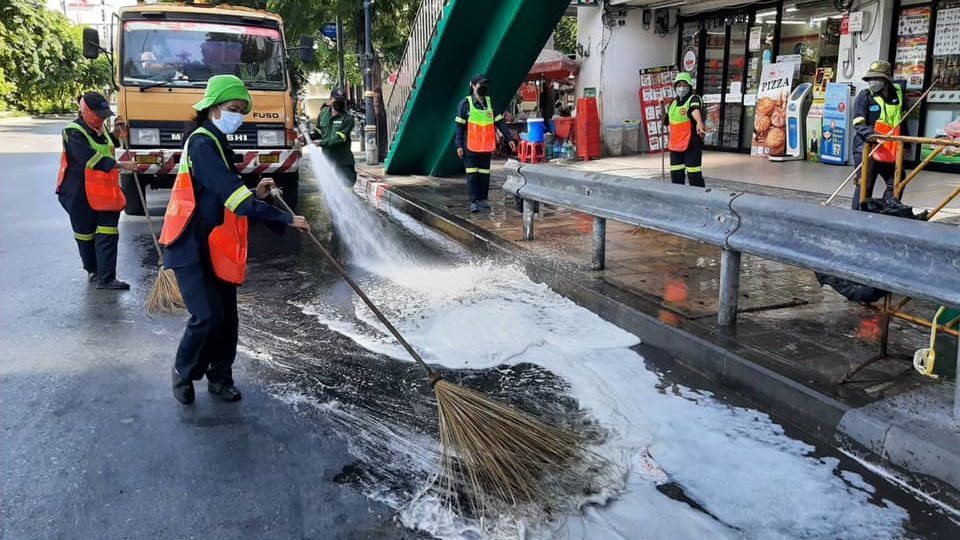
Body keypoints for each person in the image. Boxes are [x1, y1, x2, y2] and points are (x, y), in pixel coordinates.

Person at [159, 75, 310, 405]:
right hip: (191, 244)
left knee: (227, 316)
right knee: (207, 315)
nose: (237, 116)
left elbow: (232, 192)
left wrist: (258, 192)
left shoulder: (217, 142)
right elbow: (235, 200)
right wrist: (287, 218)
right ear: (212, 107)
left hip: (216, 243)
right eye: (232, 108)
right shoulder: (201, 142)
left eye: (242, 110)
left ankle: (220, 377)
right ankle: (184, 372)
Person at [56, 92, 138, 289]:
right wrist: (120, 166)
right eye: (98, 115)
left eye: (104, 115)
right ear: (85, 111)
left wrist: (117, 134)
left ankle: (107, 278)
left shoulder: (100, 129)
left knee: (108, 233)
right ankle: (93, 270)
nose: (102, 118)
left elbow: (107, 146)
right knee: (85, 235)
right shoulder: (73, 132)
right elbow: (90, 158)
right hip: (78, 193)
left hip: (104, 194)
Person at [455, 74, 517, 213]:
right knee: (472, 175)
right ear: (473, 86)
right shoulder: (465, 104)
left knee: (484, 175)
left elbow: (500, 122)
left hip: (485, 147)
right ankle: (474, 202)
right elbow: (459, 127)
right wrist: (458, 145)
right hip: (469, 146)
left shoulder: (490, 103)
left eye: (485, 85)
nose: (483, 87)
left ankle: (483, 200)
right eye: (480, 85)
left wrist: (509, 138)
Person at [851, 60, 906, 210]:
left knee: (897, 179)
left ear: (886, 80)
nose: (872, 82)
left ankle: (885, 210)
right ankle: (856, 217)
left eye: (877, 79)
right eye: (871, 79)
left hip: (889, 146)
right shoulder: (865, 96)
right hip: (867, 146)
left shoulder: (898, 94)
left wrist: (905, 145)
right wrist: (873, 135)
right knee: (865, 184)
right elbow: (858, 123)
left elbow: (902, 120)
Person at [663, 72, 706, 187]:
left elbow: (694, 109)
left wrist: (699, 122)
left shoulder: (694, 98)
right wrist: (661, 108)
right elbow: (667, 121)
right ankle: (679, 199)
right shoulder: (673, 102)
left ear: (690, 86)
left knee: (694, 174)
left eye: (684, 85)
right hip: (676, 145)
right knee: (676, 174)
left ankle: (699, 199)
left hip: (691, 142)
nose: (681, 88)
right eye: (679, 85)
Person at [312, 87, 356, 186]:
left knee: (346, 192)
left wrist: (321, 143)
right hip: (327, 163)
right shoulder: (323, 113)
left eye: (342, 100)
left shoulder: (348, 119)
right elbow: (318, 132)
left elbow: (339, 139)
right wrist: (307, 138)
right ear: (330, 100)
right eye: (337, 100)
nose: (339, 103)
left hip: (343, 164)